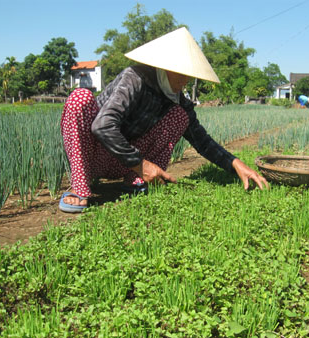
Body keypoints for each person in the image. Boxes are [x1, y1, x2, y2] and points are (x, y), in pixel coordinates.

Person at [59, 27, 269, 213]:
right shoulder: (135, 78)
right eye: (181, 72)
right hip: (93, 156)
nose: (185, 79)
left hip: (125, 165)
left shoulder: (178, 102)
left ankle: (136, 181)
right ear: (166, 66)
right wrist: (141, 164)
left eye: (189, 74)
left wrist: (235, 164)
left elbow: (203, 142)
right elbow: (102, 126)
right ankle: (80, 188)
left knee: (180, 116)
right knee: (79, 98)